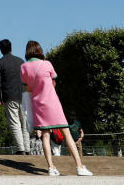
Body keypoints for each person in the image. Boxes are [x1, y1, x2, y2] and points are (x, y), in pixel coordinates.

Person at [20, 40, 93, 177]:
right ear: (39, 50)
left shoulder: (23, 67)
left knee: (45, 136)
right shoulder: (47, 64)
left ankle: (51, 168)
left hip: (38, 104)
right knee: (66, 133)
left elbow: (27, 88)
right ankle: (79, 166)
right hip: (52, 103)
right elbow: (53, 83)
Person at [0, 38, 30, 155]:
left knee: (15, 123)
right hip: (24, 94)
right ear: (11, 47)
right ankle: (28, 149)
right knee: (25, 124)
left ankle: (21, 149)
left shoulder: (0, 63)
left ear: (1, 49)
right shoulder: (20, 61)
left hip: (10, 96)